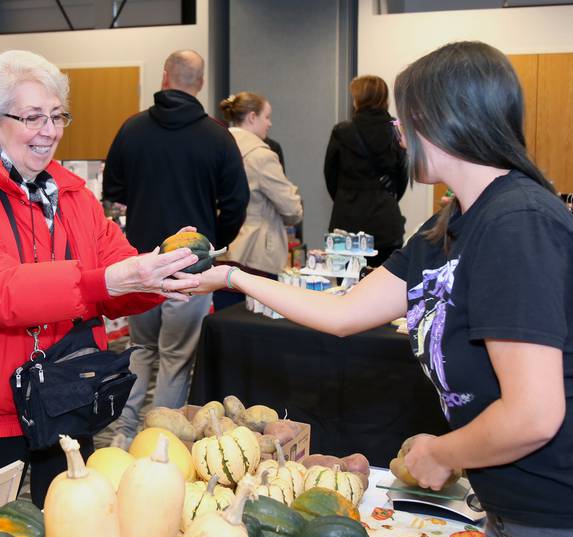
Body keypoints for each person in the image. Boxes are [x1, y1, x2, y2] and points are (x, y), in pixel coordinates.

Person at [179, 41, 573, 537]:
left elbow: (533, 414)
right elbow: (343, 312)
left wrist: (442, 451)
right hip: (517, 500)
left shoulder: (517, 224)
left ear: (446, 119)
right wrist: (231, 277)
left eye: (407, 117)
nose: (399, 133)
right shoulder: (451, 226)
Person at [0, 50, 200, 507]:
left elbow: (113, 273)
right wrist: (109, 281)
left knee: (72, 529)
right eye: (33, 117)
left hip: (67, 395)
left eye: (58, 116)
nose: (50, 131)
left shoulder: (73, 195)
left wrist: (157, 273)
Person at [102, 49, 249, 443]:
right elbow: (237, 202)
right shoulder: (218, 137)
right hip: (191, 270)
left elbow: (112, 192)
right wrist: (211, 245)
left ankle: (123, 435)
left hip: (141, 263)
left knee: (141, 349)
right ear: (200, 83)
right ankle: (159, 443)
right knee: (176, 359)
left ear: (165, 76)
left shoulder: (131, 129)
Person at [215, 92, 303, 309]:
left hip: (220, 247)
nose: (270, 124)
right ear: (252, 117)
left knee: (226, 318)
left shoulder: (214, 146)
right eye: (267, 117)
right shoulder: (261, 155)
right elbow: (292, 209)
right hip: (255, 253)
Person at [324, 75, 408, 266]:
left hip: (346, 221)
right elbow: (402, 175)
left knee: (344, 287)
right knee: (386, 285)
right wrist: (386, 196)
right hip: (386, 223)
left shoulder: (342, 131)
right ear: (384, 99)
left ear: (358, 100)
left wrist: (346, 197)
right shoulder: (395, 129)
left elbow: (330, 176)